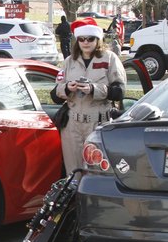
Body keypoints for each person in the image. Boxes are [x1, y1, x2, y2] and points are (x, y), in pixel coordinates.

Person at [53, 17, 126, 174]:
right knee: (73, 174)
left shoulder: (110, 58)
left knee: (99, 172)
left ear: (98, 39)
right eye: (82, 39)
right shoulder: (69, 62)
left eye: (90, 39)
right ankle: (76, 198)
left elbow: (119, 91)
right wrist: (66, 88)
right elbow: (55, 96)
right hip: (72, 125)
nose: (86, 42)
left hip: (98, 123)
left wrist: (94, 89)